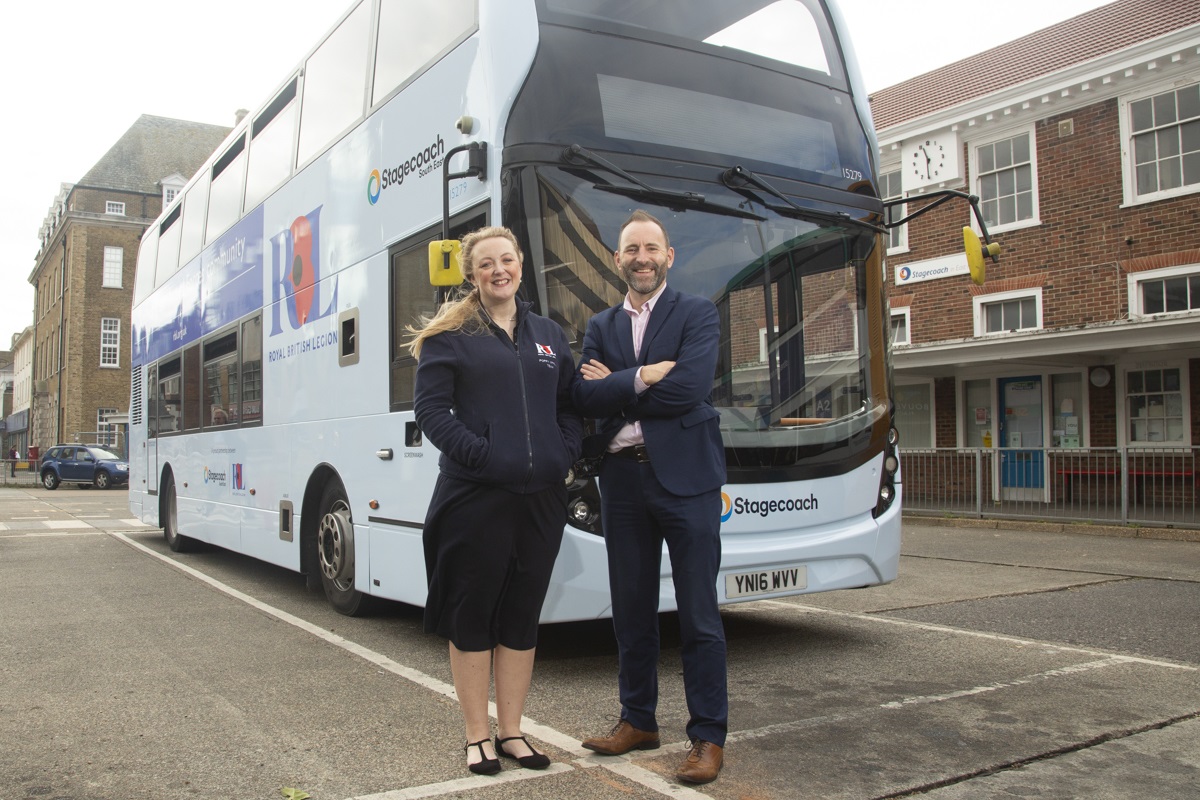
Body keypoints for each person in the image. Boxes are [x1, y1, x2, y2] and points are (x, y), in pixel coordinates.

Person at [409, 225, 583, 776]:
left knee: (521, 617)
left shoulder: (549, 333)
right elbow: (432, 412)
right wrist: (480, 455)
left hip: (541, 499)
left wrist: (564, 452)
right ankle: (477, 735)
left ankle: (512, 732)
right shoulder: (450, 335)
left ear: (521, 265)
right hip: (475, 497)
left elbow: (570, 403)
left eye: (506, 260)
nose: (498, 270)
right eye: (486, 264)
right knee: (473, 614)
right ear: (471, 274)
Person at [573, 210, 728, 784]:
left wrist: (616, 384)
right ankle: (638, 719)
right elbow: (583, 398)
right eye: (631, 249)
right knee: (631, 610)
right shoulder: (600, 324)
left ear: (669, 256)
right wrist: (643, 377)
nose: (642, 257)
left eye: (651, 248)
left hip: (687, 481)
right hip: (622, 482)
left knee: (699, 614)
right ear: (618, 260)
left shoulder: (696, 313)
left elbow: (691, 387)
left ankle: (708, 736)